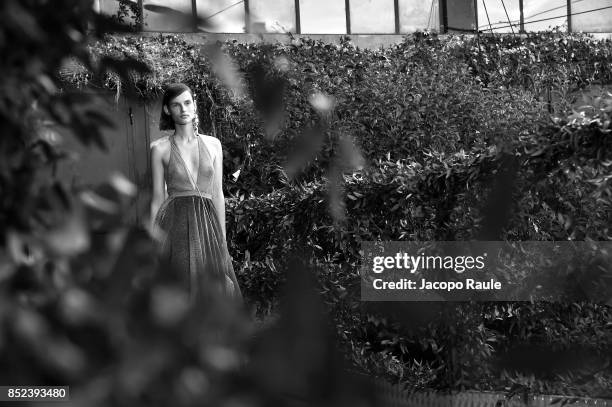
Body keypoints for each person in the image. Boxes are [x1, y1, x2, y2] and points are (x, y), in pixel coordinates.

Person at [149, 83, 242, 304]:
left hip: (208, 227)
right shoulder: (159, 148)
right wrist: (151, 241)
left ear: (195, 105)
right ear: (167, 110)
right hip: (175, 227)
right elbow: (157, 199)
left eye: (187, 102)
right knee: (179, 289)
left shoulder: (214, 145)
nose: (183, 109)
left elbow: (218, 194)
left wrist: (223, 239)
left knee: (214, 289)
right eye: (176, 105)